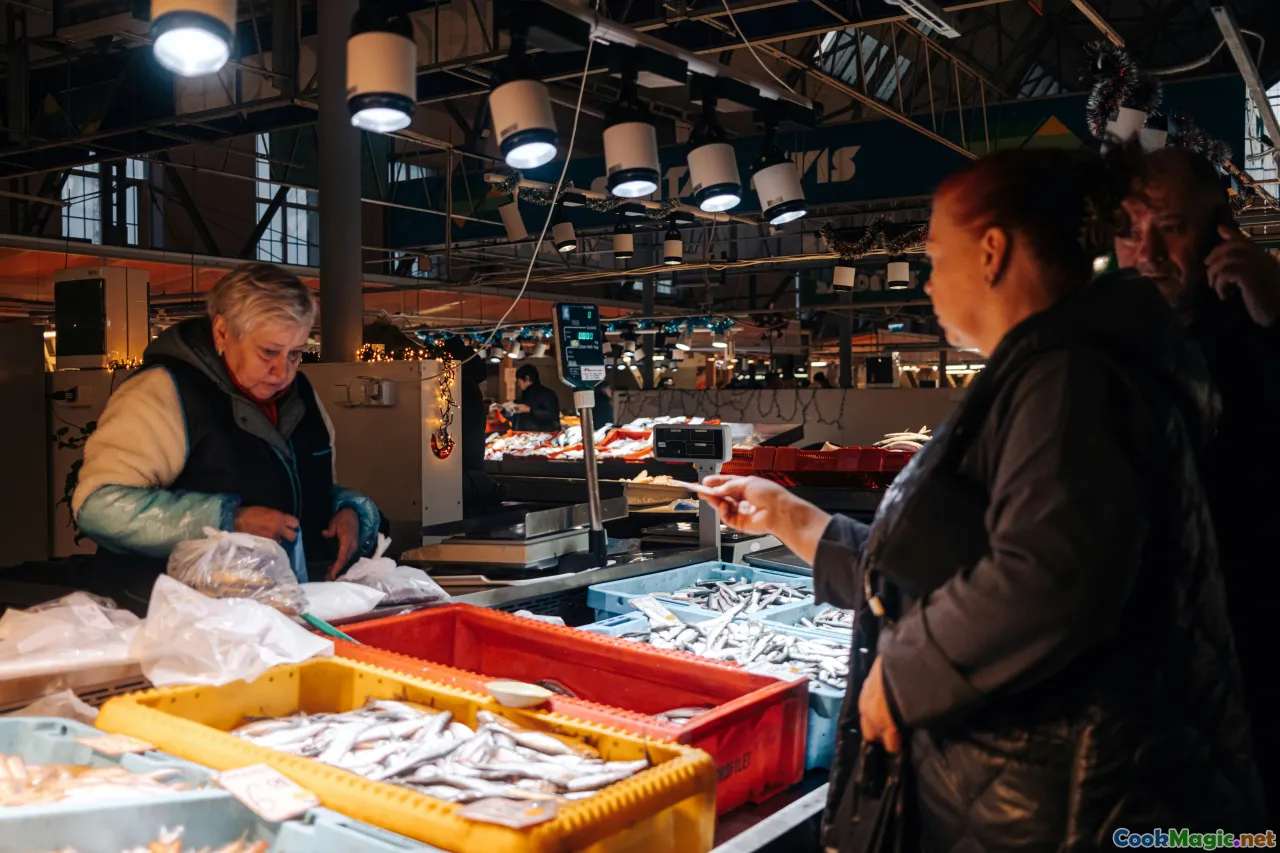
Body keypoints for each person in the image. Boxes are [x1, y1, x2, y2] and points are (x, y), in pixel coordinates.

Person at [702, 147, 1264, 850]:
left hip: (1084, 812)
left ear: (993, 251)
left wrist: (902, 675)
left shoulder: (1072, 376)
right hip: (1032, 794)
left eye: (936, 257)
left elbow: (1049, 574)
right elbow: (956, 563)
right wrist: (793, 517)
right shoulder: (1047, 370)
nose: (928, 283)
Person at [1114, 146, 1280, 811]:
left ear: (1221, 231)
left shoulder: (1255, 330)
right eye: (1131, 228)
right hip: (1152, 671)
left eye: (1172, 226)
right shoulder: (1116, 342)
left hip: (1251, 655)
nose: (1147, 249)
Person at [73, 263, 381, 612]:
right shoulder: (162, 392)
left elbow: (296, 486)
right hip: (168, 620)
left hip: (269, 616)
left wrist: (349, 511)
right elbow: (98, 507)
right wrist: (228, 521)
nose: (283, 371)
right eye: (268, 352)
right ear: (222, 333)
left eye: (295, 354)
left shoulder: (302, 397)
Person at [511, 363, 561, 431]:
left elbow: (552, 415)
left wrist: (530, 410)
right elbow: (514, 417)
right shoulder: (523, 397)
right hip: (524, 438)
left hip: (543, 438)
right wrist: (502, 409)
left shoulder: (547, 394)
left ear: (527, 379)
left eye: (519, 381)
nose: (518, 384)